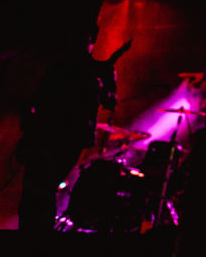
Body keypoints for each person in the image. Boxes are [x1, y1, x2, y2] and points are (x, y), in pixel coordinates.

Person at [15, 19, 127, 231]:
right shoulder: (59, 69)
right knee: (34, 188)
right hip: (47, 134)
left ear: (91, 40)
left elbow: (112, 101)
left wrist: (101, 88)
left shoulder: (101, 69)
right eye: (72, 38)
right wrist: (28, 119)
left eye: (81, 38)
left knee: (44, 185)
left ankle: (36, 238)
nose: (75, 43)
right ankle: (29, 235)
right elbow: (35, 100)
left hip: (72, 136)